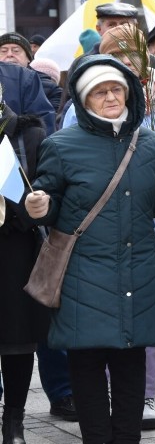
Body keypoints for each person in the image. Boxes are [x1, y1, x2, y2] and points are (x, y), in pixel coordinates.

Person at [23, 55, 155, 444]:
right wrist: (37, 207)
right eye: (99, 92)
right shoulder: (61, 145)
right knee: (88, 367)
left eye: (116, 89)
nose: (110, 97)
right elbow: (49, 202)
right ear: (83, 99)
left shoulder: (145, 143)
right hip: (82, 276)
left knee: (131, 370)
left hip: (138, 273)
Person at [62, 22, 155, 430]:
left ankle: (146, 396)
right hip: (92, 248)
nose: (126, 65)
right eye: (118, 56)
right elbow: (68, 171)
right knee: (93, 337)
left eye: (134, 55)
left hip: (147, 234)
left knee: (144, 325)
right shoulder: (75, 114)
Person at [0, 99, 50, 444]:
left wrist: (23, 204)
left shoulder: (26, 132)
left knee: (17, 340)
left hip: (14, 247)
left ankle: (13, 421)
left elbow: (46, 187)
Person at [0, 32, 63, 112]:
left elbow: (50, 120)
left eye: (16, 51)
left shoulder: (49, 89)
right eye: (3, 51)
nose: (9, 54)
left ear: (28, 58)